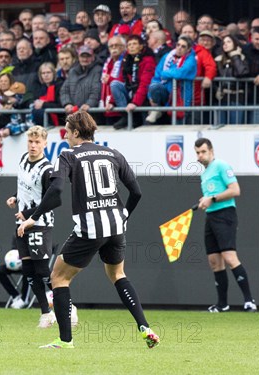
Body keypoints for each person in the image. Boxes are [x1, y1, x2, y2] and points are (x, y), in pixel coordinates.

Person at [18, 111, 159, 349]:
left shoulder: (68, 155)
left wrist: (33, 217)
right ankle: (144, 326)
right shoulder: (113, 153)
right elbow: (137, 192)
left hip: (90, 228)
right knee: (117, 275)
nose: (64, 135)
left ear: (75, 132)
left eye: (66, 130)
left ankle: (65, 341)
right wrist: (124, 216)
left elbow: (55, 192)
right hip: (116, 227)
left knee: (59, 278)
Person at [194, 138, 256, 313]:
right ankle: (222, 304)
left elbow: (235, 190)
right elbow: (211, 194)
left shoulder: (221, 165)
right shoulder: (204, 173)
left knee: (229, 257)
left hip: (225, 214)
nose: (200, 155)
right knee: (214, 261)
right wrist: (205, 200)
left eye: (203, 152)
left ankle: (249, 300)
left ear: (211, 151)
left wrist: (211, 198)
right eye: (197, 152)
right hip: (210, 216)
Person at [7, 126, 58, 328]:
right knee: (28, 270)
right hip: (22, 223)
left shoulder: (47, 169)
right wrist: (16, 197)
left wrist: (28, 214)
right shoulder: (22, 159)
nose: (33, 145)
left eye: (37, 142)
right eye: (30, 141)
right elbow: (26, 188)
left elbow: (51, 199)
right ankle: (46, 313)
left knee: (42, 269)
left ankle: (68, 306)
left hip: (40, 223)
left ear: (45, 144)